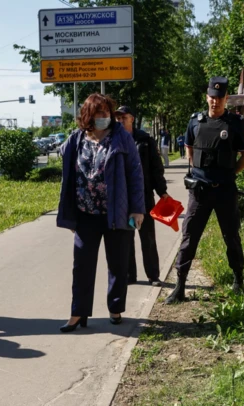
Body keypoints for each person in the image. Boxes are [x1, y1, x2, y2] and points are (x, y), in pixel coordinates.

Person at [56, 93, 145, 332]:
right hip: (85, 214)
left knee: (117, 263)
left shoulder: (121, 139)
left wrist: (138, 209)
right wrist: (69, 212)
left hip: (116, 212)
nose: (104, 117)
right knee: (82, 264)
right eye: (99, 113)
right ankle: (78, 313)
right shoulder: (76, 140)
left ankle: (115, 308)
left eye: (107, 112)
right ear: (88, 115)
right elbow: (67, 172)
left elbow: (135, 174)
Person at [166, 77, 244, 304]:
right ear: (207, 97)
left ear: (226, 98)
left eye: (219, 98)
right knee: (189, 237)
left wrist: (231, 174)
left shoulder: (235, 123)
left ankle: (238, 279)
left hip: (225, 191)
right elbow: (188, 146)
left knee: (231, 236)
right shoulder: (195, 121)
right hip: (200, 192)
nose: (215, 102)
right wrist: (195, 170)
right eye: (211, 98)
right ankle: (180, 285)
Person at [114, 105, 168, 287]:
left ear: (132, 119)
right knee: (126, 238)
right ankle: (130, 275)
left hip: (144, 197)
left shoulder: (145, 140)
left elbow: (156, 168)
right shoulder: (114, 139)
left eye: (124, 118)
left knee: (148, 237)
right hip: (123, 198)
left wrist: (162, 191)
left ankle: (153, 275)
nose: (120, 121)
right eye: (118, 118)